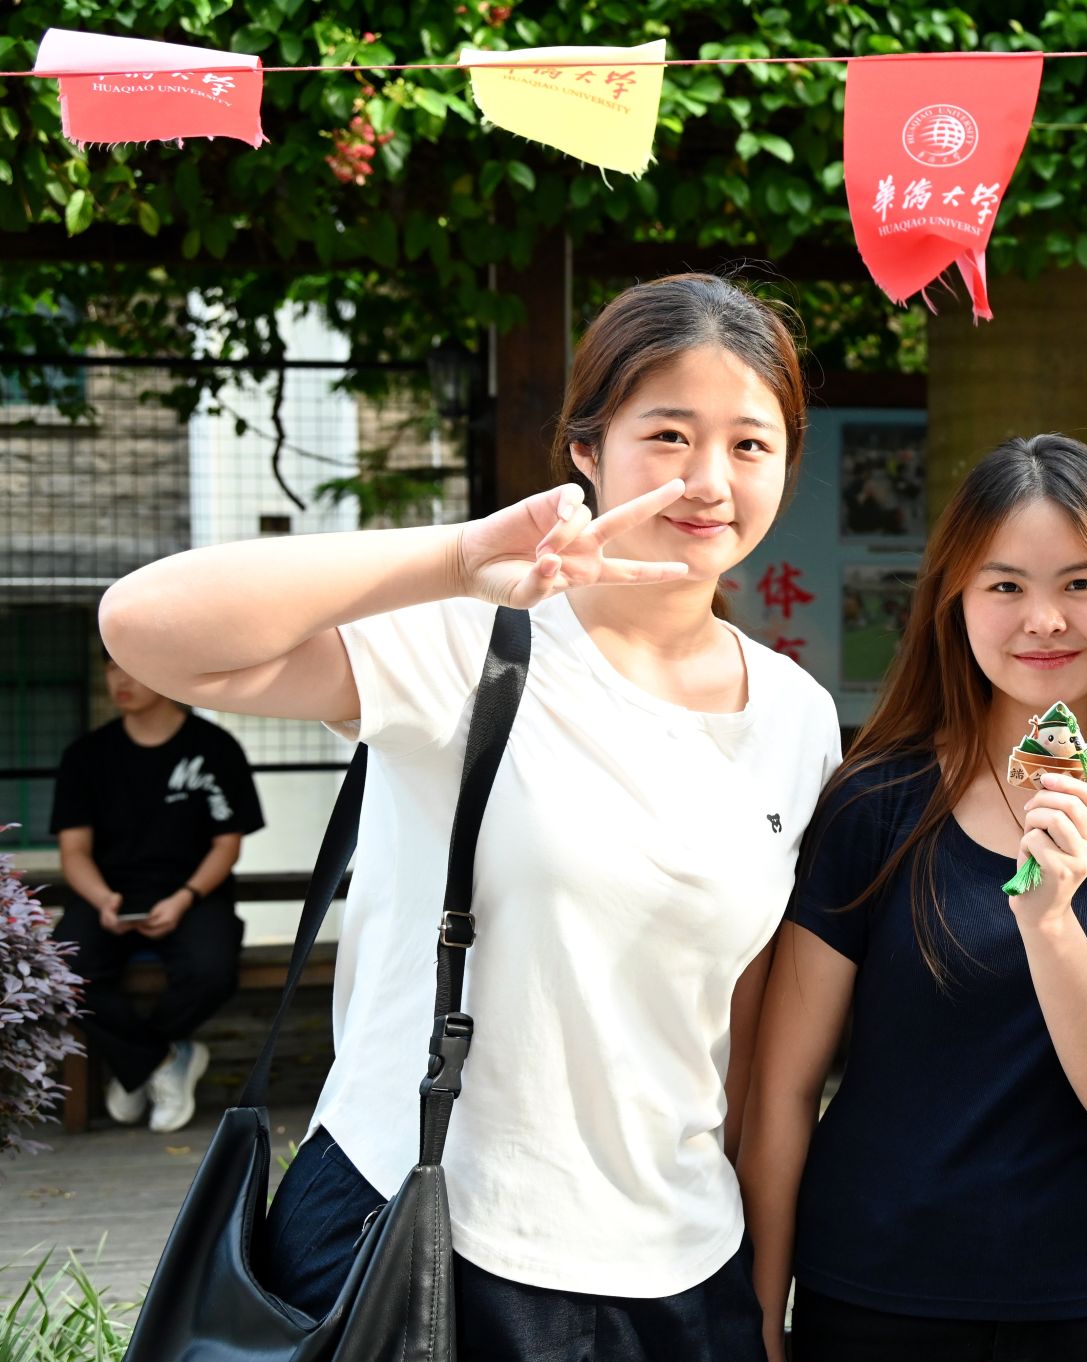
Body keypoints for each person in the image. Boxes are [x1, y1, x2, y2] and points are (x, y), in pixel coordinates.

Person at [98, 274, 840, 1362]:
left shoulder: (795, 716)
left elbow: (738, 1015)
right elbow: (145, 626)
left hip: (680, 1264)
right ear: (586, 449)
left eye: (749, 444)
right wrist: (454, 559)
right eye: (669, 435)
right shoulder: (472, 637)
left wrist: (763, 1298)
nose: (708, 481)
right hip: (426, 1229)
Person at [739, 435, 1087, 1362]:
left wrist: (1050, 918)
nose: (1044, 620)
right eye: (1006, 585)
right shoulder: (875, 805)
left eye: (1082, 583)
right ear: (956, 601)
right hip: (870, 1300)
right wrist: (758, 1326)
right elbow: (782, 1091)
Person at [51, 648, 264, 1133]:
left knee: (211, 971)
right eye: (110, 666)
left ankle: (135, 1066)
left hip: (194, 893)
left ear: (166, 671)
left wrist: (185, 896)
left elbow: (227, 844)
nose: (119, 679)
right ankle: (159, 1061)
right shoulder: (86, 756)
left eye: (131, 666)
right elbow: (74, 851)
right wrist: (102, 898)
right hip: (107, 895)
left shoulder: (215, 748)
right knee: (66, 974)